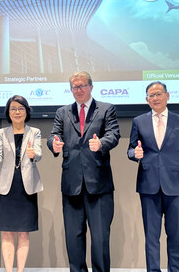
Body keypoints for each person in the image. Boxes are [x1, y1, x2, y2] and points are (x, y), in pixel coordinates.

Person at [47, 71, 120, 272]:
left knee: (100, 237)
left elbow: (114, 134)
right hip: (71, 184)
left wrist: (102, 143)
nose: (78, 90)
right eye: (75, 87)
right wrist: (53, 143)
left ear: (91, 87)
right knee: (73, 237)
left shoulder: (106, 109)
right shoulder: (63, 112)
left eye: (82, 86)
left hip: (99, 183)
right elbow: (54, 134)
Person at [127, 81, 179, 272]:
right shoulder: (139, 121)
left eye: (159, 94)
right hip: (148, 185)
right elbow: (131, 149)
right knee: (151, 236)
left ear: (168, 96)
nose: (155, 98)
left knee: (174, 234)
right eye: (151, 95)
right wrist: (135, 154)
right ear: (146, 100)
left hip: (175, 185)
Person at [0, 95, 43, 272]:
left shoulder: (34, 132)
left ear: (26, 111)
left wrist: (33, 154)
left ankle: (20, 270)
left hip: (26, 186)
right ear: (8, 112)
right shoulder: (1, 133)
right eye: (13, 109)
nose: (17, 112)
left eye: (20, 108)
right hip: (6, 187)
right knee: (7, 231)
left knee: (24, 232)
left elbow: (39, 154)